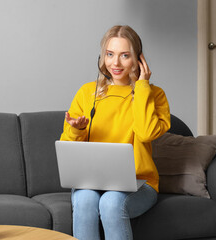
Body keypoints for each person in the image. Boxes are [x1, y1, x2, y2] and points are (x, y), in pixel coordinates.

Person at [60, 25, 170, 240]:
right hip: (91, 182)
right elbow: (67, 145)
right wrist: (77, 129)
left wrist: (142, 87)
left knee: (110, 202)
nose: (115, 63)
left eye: (125, 55)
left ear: (139, 60)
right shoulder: (87, 92)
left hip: (140, 184)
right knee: (84, 200)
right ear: (102, 56)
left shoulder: (154, 95)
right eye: (110, 54)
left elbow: (146, 133)